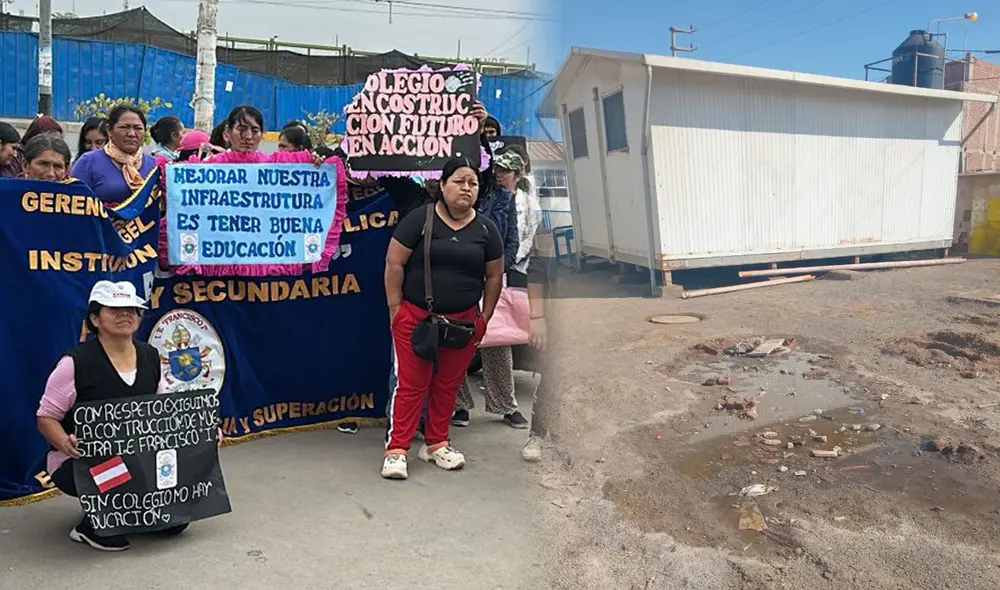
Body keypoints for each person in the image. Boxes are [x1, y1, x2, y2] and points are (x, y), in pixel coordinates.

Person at [35, 281, 185, 551]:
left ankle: (134, 508)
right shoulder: (75, 363)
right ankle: (90, 526)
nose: (125, 314)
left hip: (138, 454)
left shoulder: (151, 356)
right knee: (121, 471)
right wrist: (64, 442)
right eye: (114, 309)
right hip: (83, 461)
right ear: (95, 319)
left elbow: (166, 409)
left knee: (177, 521)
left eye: (131, 309)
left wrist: (203, 429)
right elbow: (45, 418)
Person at [382, 156, 504, 480]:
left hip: (463, 324)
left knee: (447, 385)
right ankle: (397, 449)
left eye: (472, 182)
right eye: (459, 181)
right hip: (416, 319)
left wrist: (484, 318)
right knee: (411, 385)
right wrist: (395, 308)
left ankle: (436, 443)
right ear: (442, 184)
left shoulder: (486, 228)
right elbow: (394, 263)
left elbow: (494, 275)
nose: (466, 188)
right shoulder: (419, 219)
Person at [71, 105, 156, 207]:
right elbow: (74, 204)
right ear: (109, 130)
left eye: (138, 128)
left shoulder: (154, 166)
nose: (132, 134)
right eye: (124, 127)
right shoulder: (88, 162)